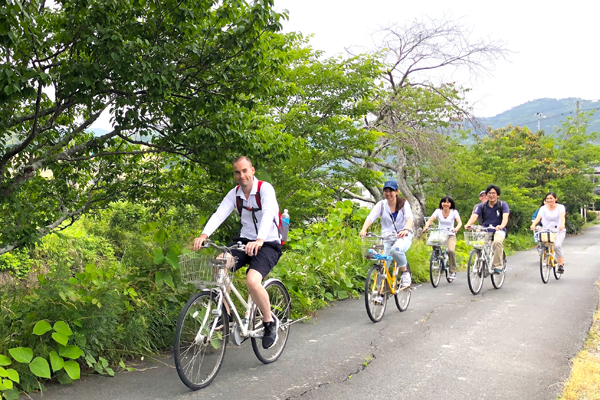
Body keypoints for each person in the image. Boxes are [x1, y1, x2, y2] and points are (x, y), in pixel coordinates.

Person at [193, 156, 282, 349]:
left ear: (252, 170)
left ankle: (269, 322)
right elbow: (220, 213)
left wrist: (259, 239)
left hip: (267, 243)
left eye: (245, 171)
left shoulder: (265, 189)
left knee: (252, 281)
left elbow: (268, 214)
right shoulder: (235, 194)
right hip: (244, 242)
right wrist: (204, 234)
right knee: (218, 265)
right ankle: (226, 315)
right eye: (237, 172)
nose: (241, 176)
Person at [359, 181, 414, 287]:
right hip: (387, 237)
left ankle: (405, 272)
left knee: (396, 251)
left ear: (397, 191)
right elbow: (371, 217)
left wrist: (406, 229)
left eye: (391, 191)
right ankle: (379, 293)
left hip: (403, 236)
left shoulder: (403, 204)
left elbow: (409, 218)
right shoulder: (382, 205)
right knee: (382, 265)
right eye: (386, 191)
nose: (388, 193)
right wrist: (364, 229)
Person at [465, 184, 510, 274]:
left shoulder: (502, 205)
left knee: (497, 242)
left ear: (498, 195)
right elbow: (474, 216)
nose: (491, 195)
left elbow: (505, 217)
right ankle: (480, 263)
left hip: (498, 229)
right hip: (485, 229)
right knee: (478, 244)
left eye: (494, 193)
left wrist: (501, 226)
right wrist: (468, 224)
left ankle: (497, 266)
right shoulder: (482, 206)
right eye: (489, 193)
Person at [423, 196, 463, 280]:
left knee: (451, 251)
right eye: (444, 202)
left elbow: (459, 222)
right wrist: (426, 226)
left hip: (450, 234)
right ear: (441, 203)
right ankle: (436, 257)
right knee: (432, 241)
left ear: (451, 204)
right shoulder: (438, 211)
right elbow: (430, 220)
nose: (446, 204)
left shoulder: (454, 212)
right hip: (440, 233)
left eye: (448, 202)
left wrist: (456, 228)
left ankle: (452, 271)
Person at [530, 192, 567, 273]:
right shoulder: (543, 208)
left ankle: (560, 265)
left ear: (555, 199)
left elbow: (562, 216)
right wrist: (533, 224)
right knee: (543, 244)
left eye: (551, 198)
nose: (549, 200)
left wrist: (562, 224)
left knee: (557, 246)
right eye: (547, 198)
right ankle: (546, 256)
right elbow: (538, 217)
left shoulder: (560, 207)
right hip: (546, 229)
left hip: (558, 230)